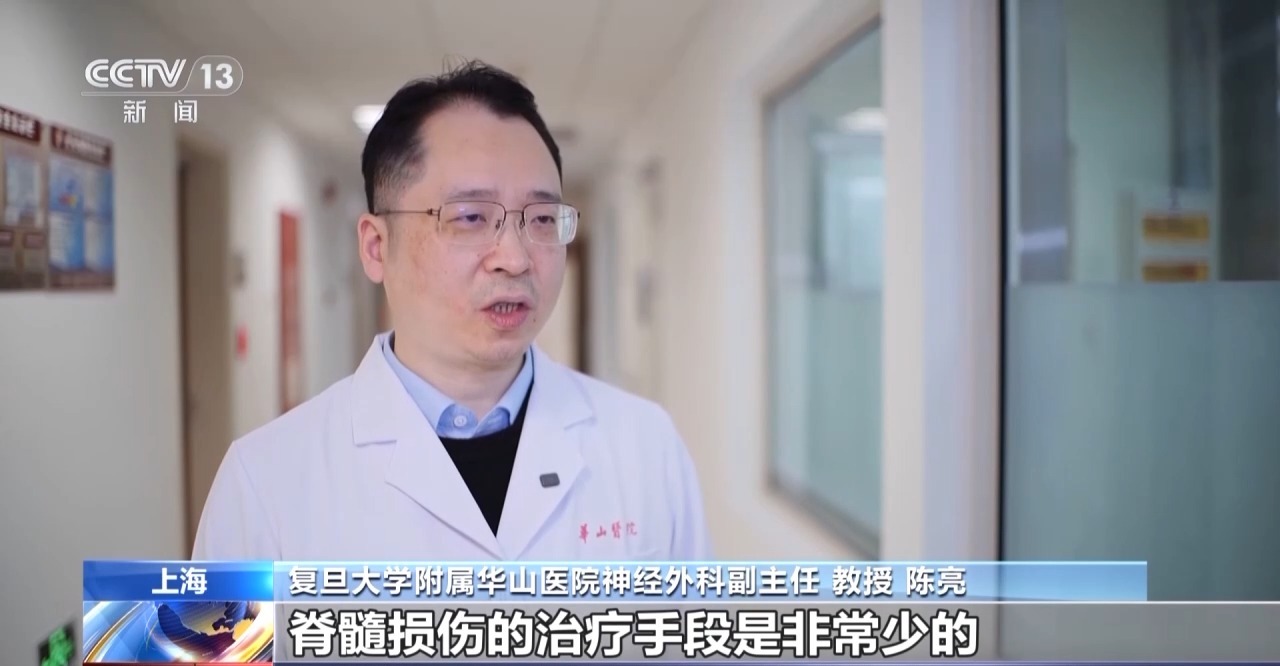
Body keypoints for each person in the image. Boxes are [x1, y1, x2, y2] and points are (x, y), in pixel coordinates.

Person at [192, 60, 711, 562]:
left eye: (542, 218)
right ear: (376, 247)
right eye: (470, 217)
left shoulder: (647, 446)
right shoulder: (265, 484)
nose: (515, 258)